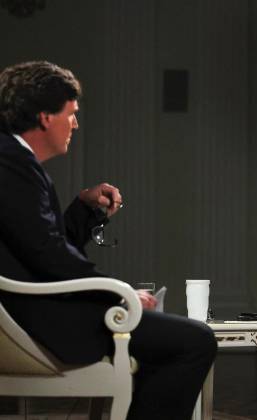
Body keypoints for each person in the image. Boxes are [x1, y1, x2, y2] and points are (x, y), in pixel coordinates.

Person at [0, 61, 216, 420]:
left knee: (177, 341)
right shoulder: (11, 162)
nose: (75, 124)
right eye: (71, 114)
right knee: (196, 341)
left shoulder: (13, 159)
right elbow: (46, 253)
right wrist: (119, 295)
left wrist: (84, 209)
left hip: (33, 311)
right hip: (40, 320)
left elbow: (38, 243)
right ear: (45, 117)